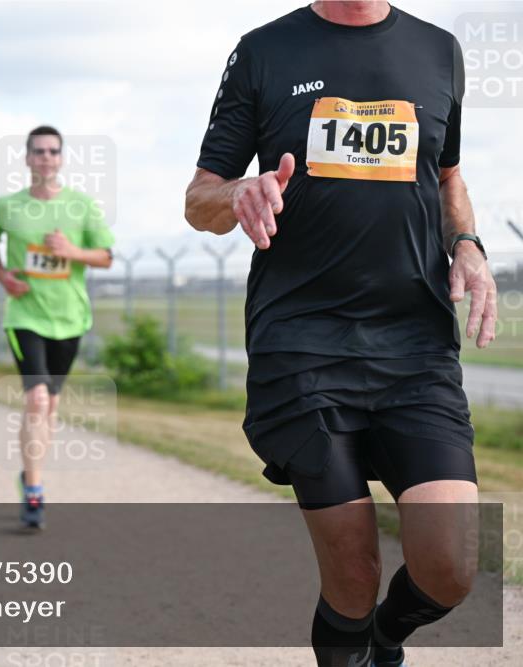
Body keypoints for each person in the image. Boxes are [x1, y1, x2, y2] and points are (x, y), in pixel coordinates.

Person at [183, 3, 497, 665]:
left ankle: (386, 636)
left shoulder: (438, 51)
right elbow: (199, 196)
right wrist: (239, 192)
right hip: (302, 343)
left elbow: (448, 177)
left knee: (452, 564)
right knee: (352, 575)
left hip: (413, 342)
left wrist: (467, 244)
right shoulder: (265, 50)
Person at [0, 125, 115, 529]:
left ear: (61, 158)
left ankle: (29, 472)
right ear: (26, 158)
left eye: (53, 151)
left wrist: (71, 251)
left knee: (51, 405)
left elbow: (106, 257)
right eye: (38, 151)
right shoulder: (7, 206)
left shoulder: (81, 206)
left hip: (70, 318)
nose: (46, 158)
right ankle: (35, 491)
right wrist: (2, 274)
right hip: (24, 315)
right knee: (37, 399)